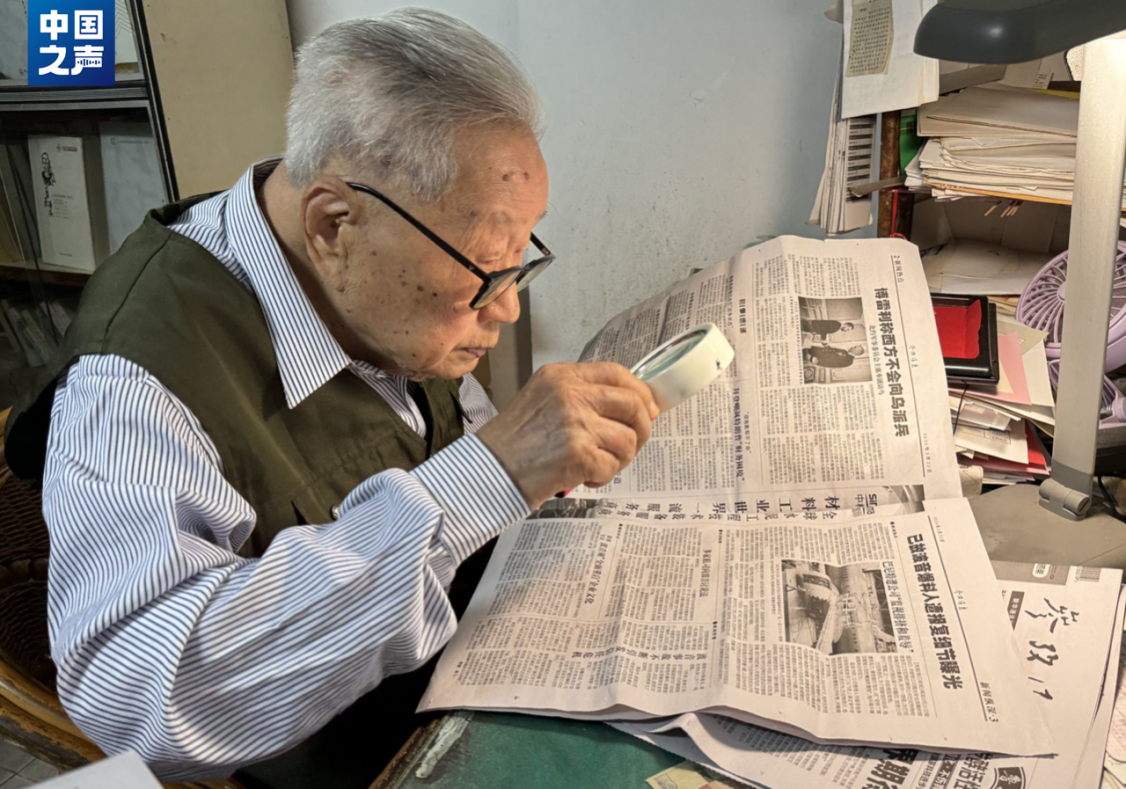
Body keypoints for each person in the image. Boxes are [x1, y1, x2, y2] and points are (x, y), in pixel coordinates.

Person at [3, 10, 657, 788]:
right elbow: (139, 699)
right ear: (333, 223)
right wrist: (490, 474)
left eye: (520, 259)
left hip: (464, 666)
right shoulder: (131, 385)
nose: (509, 307)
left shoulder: (373, 266)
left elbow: (449, 426)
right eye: (487, 269)